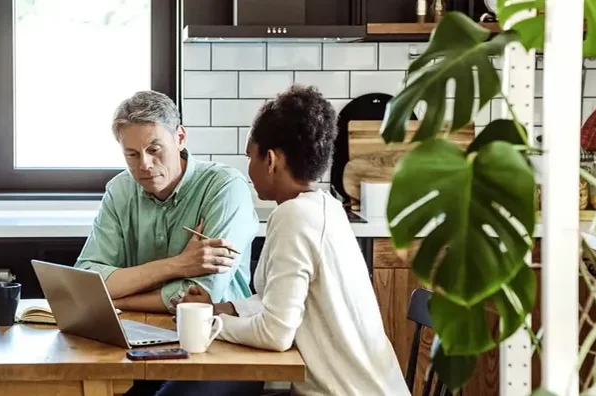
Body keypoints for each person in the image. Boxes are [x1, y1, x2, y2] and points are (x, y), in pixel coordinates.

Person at [182, 85, 411, 396]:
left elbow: (275, 333)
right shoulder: (324, 205)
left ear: (271, 160)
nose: (248, 169)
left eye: (250, 155)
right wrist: (221, 308)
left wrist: (209, 323)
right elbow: (275, 301)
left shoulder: (295, 217)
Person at [74, 90, 265, 395]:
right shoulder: (119, 190)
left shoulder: (225, 188)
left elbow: (198, 298)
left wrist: (115, 298)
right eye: (132, 154)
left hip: (221, 346)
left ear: (181, 138)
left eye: (155, 149)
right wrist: (178, 265)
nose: (145, 165)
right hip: (139, 346)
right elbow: (86, 281)